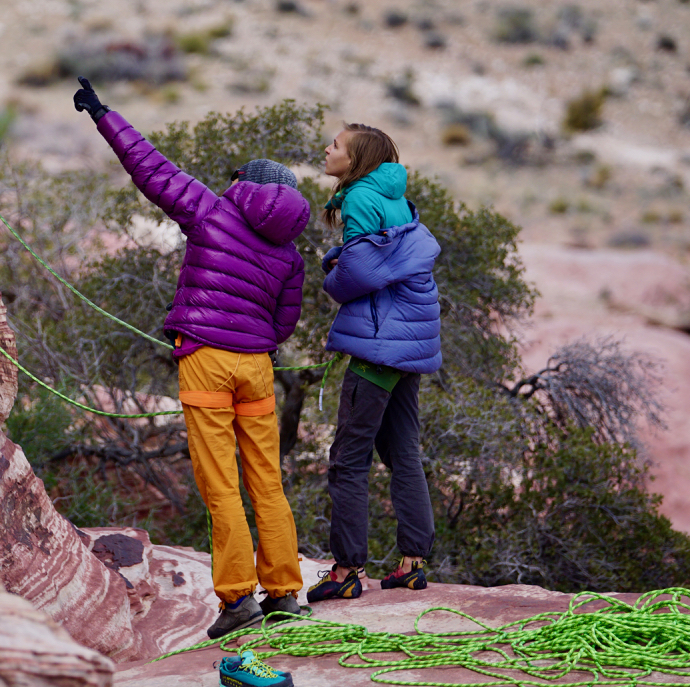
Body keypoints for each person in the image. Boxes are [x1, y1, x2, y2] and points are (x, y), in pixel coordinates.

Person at [73, 77, 310, 641]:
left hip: (206, 360)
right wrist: (254, 341)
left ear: (244, 185)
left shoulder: (211, 212)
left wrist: (103, 114)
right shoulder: (290, 255)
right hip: (257, 368)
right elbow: (285, 323)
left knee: (220, 484)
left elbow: (151, 168)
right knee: (267, 481)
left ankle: (238, 602)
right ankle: (284, 593)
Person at [306, 123, 442, 603]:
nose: (327, 149)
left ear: (358, 158)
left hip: (381, 345)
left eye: (337, 145)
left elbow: (361, 272)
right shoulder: (393, 196)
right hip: (409, 343)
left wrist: (332, 270)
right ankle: (411, 563)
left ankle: (346, 570)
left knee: (348, 459)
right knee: (403, 451)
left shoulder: (360, 198)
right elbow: (388, 258)